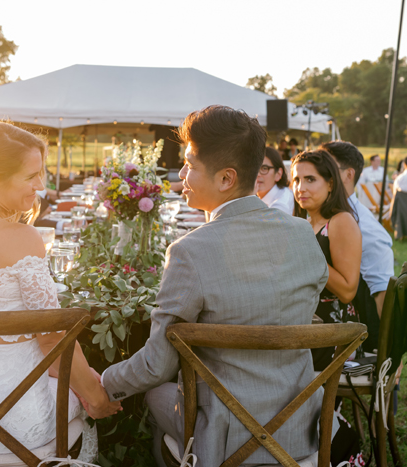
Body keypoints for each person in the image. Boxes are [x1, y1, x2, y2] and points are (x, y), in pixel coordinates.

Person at [102, 105, 329, 466]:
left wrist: (102, 384)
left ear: (226, 179)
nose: (181, 173)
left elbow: (156, 366)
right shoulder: (304, 234)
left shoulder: (189, 251)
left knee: (157, 394)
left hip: (226, 437)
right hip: (301, 426)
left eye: (190, 165)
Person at [0, 122, 118, 458]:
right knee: (84, 395)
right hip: (16, 416)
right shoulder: (22, 239)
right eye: (31, 176)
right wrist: (95, 395)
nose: (41, 185)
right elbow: (51, 339)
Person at [291, 150, 362, 370]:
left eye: (310, 179)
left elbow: (348, 291)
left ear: (330, 184)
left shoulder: (341, 221)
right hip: (302, 326)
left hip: (330, 335)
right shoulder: (306, 223)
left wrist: (309, 254)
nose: (300, 188)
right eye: (296, 180)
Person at [320, 141, 394, 347]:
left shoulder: (364, 226)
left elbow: (384, 295)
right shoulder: (320, 215)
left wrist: (389, 354)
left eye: (327, 168)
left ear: (348, 175)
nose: (319, 173)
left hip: (348, 336)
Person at [255, 146, 294, 214]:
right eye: (254, 168)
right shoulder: (259, 198)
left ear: (278, 173)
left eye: (264, 168)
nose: (258, 174)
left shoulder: (281, 204)